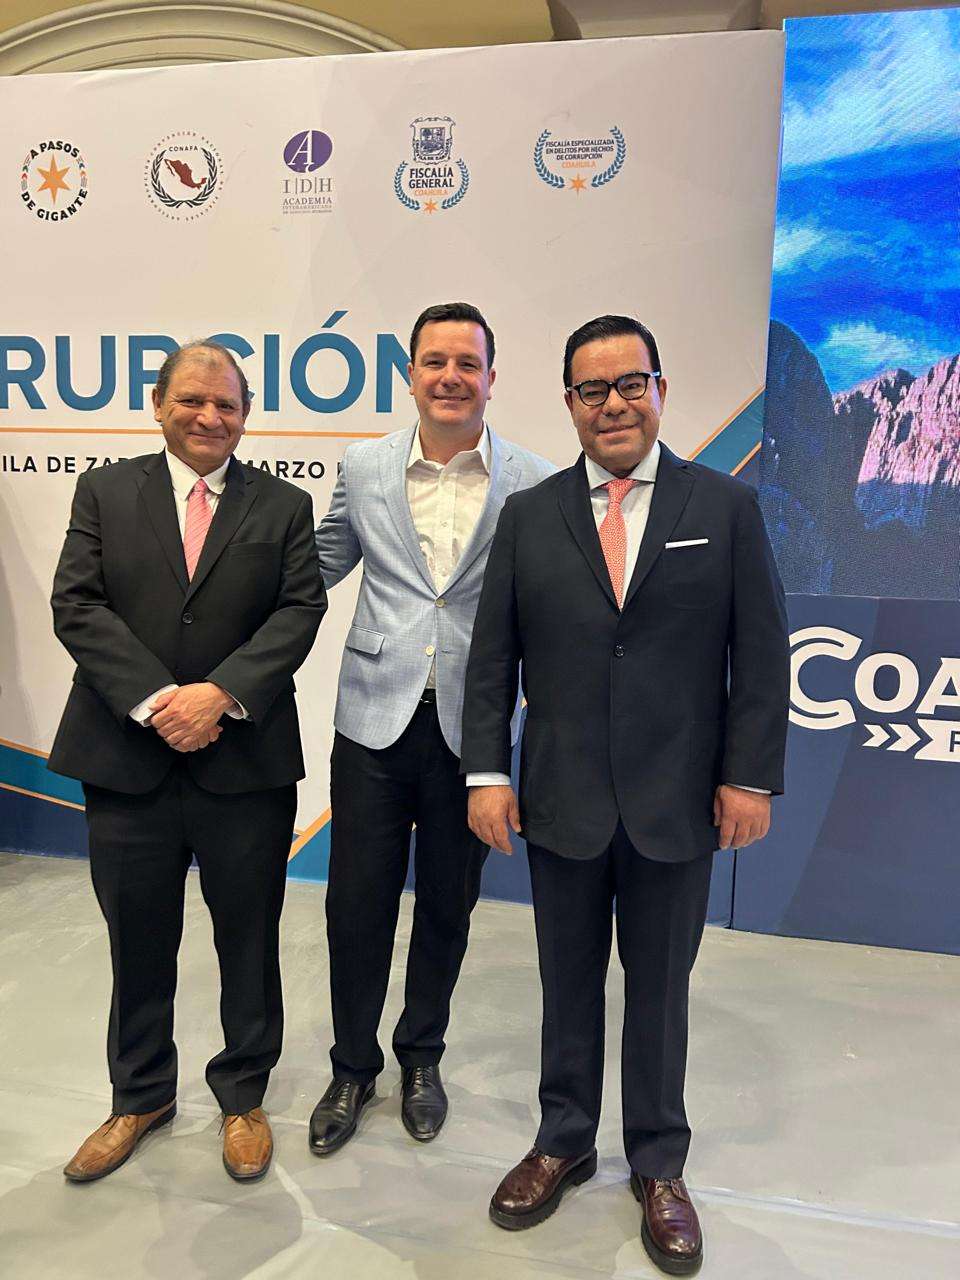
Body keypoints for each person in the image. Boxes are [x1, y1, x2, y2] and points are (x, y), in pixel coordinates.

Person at [461, 315, 789, 1274]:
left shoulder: (725, 507)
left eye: (630, 384)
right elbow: (493, 658)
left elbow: (760, 657)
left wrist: (748, 776)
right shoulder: (530, 515)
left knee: (660, 990)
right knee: (565, 983)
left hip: (677, 803)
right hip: (560, 798)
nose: (613, 404)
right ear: (568, 403)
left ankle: (658, 1163)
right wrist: (486, 773)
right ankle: (562, 1140)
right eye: (591, 389)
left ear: (660, 390)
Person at [49, 341, 326, 1184]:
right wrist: (158, 701)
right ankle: (139, 1096)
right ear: (158, 405)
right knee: (136, 938)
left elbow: (299, 609)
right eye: (192, 401)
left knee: (249, 937)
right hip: (125, 757)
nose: (209, 417)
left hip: (244, 763)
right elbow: (77, 603)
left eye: (227, 405)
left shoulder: (284, 505)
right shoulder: (105, 491)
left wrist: (219, 696)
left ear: (246, 415)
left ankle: (243, 1096)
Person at [310, 302, 554, 1154]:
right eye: (435, 362)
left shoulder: (534, 479)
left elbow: (547, 606)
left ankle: (421, 1058)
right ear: (409, 374)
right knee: (356, 906)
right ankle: (351, 1066)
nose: (451, 377)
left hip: (473, 731)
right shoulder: (363, 465)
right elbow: (318, 566)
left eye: (467, 364)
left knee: (449, 905)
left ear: (491, 378)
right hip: (371, 719)